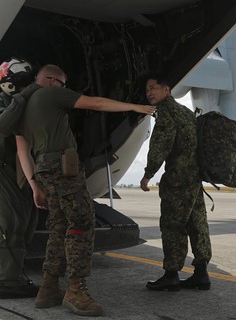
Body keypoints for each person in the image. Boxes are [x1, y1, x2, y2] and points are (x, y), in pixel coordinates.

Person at [3, 64, 156, 316]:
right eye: (64, 84)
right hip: (64, 168)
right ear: (52, 81)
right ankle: (76, 290)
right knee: (82, 224)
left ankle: (49, 287)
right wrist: (133, 107)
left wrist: (34, 187)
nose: (66, 89)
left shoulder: (19, 108)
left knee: (59, 227)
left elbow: (23, 152)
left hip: (44, 170)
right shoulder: (50, 93)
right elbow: (95, 103)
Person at [140, 76, 212, 292]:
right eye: (147, 90)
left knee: (172, 226)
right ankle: (201, 274)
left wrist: (148, 174)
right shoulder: (187, 112)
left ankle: (171, 275)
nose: (149, 93)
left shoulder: (166, 113)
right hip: (194, 179)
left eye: (153, 88)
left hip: (177, 180)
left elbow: (160, 145)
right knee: (197, 225)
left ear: (167, 90)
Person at [0, 58, 39, 299]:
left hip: (21, 169)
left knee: (27, 221)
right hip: (4, 170)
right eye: (23, 82)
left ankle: (12, 271)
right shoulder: (9, 104)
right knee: (11, 223)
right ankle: (6, 279)